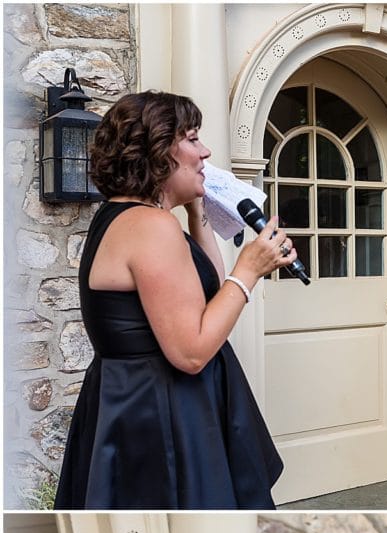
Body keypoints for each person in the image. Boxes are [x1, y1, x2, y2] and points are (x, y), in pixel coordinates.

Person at [54, 90, 291, 510]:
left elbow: (208, 299)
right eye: (194, 139)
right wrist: (250, 269)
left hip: (149, 401)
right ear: (160, 151)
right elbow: (191, 352)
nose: (206, 152)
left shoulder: (132, 216)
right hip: (160, 411)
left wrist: (198, 208)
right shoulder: (148, 226)